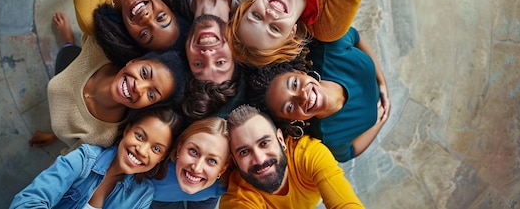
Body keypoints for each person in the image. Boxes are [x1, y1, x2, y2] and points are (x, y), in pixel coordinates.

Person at [29, 12, 188, 155]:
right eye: (144, 73)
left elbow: (67, 159)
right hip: (68, 67)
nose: (138, 87)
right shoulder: (98, 47)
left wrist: (56, 135)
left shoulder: (102, 138)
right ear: (134, 61)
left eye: (151, 94)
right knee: (66, 53)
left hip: (65, 119)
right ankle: (68, 42)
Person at [246, 27, 390, 162]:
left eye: (295, 84)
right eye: (289, 107)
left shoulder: (330, 50)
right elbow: (349, 153)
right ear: (291, 119)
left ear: (300, 72)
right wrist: (383, 118)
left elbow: (355, 36)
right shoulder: (328, 137)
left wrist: (382, 82)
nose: (302, 97)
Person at [11, 106, 185, 208]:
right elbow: (27, 201)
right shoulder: (84, 159)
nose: (142, 150)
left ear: (162, 157)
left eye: (156, 149)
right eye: (139, 136)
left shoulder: (142, 195)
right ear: (127, 130)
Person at [228, 0, 379, 67]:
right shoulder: (329, 25)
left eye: (256, 16)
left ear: (253, 2)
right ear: (291, 33)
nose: (270, 15)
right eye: (275, 28)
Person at [219, 105, 364, 208]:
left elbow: (345, 204)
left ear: (281, 140)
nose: (260, 159)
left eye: (264, 143)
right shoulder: (238, 199)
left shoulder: (309, 153)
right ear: (234, 160)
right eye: (244, 152)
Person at [54, 0, 193, 67]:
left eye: (144, 34)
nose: (147, 18)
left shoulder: (91, 16)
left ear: (130, 38)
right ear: (168, 3)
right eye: (161, 17)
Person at [150, 117, 231, 209]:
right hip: (160, 198)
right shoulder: (153, 175)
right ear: (179, 149)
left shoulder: (223, 185)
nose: (197, 169)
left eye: (212, 161)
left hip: (205, 197)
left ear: (222, 169)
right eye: (193, 151)